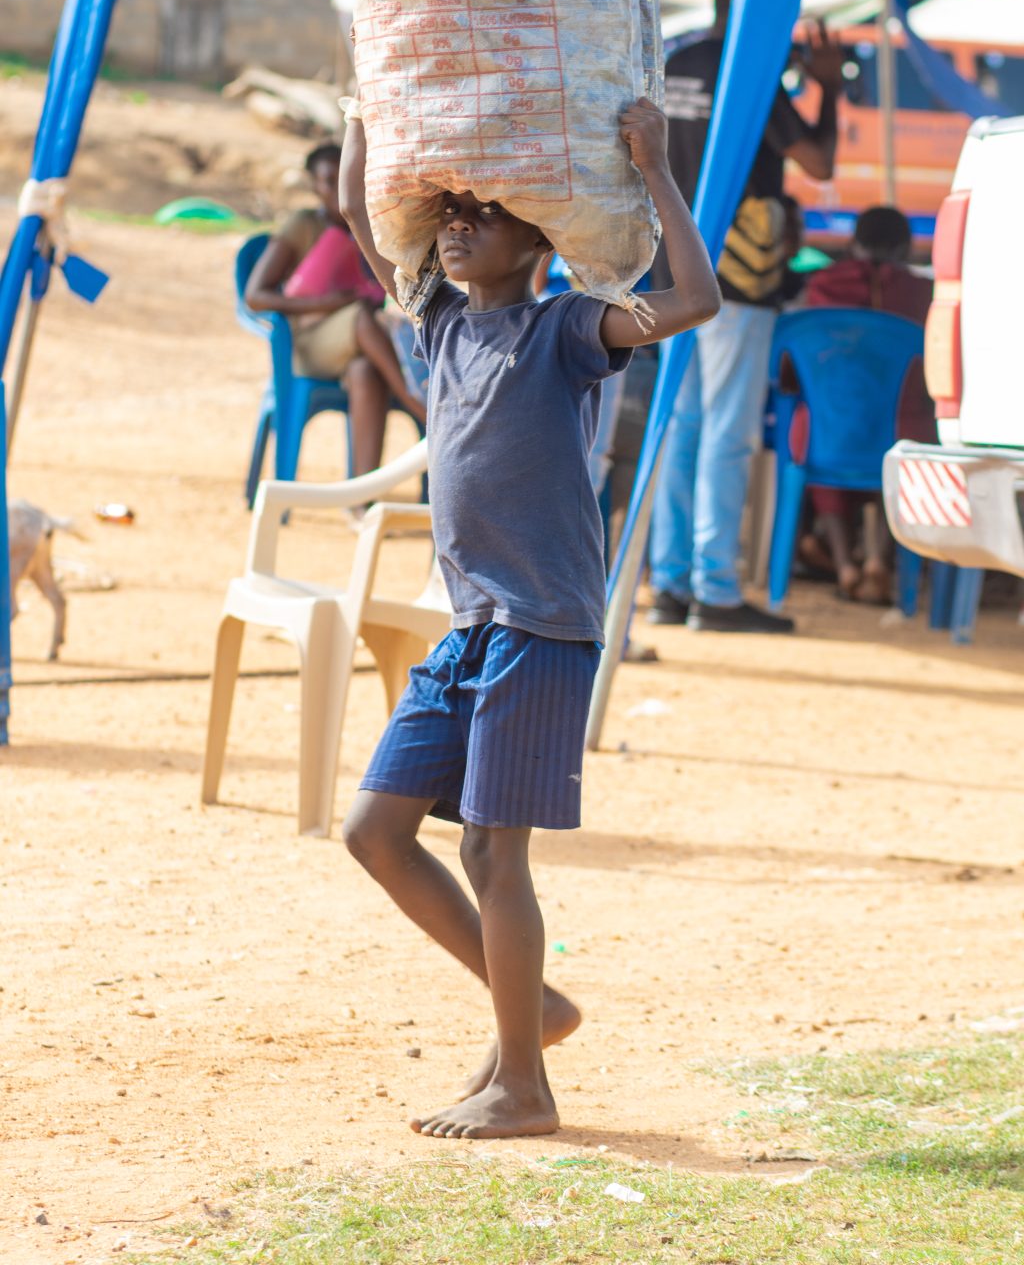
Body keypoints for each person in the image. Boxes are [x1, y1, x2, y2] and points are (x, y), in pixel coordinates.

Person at [337, 99, 720, 1141]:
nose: (460, 225)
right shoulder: (441, 324)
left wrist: (656, 168)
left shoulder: (566, 328)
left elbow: (696, 299)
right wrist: (368, 112)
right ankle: (534, 1011)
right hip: (470, 626)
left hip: (541, 624)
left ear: (540, 238)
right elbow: (360, 212)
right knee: (374, 833)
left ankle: (524, 1086)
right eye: (452, 213)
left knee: (492, 856)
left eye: (489, 213)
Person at [647, 0, 844, 632]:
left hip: (666, 276)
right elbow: (819, 164)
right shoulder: (749, 71)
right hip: (733, 279)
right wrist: (829, 89)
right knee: (727, 433)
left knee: (682, 427)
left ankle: (671, 584)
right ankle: (717, 590)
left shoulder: (675, 64)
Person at [245, 142, 426, 475]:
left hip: (361, 347)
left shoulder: (369, 229)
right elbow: (255, 296)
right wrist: (327, 303)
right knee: (360, 318)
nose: (338, 188)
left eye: (345, 179)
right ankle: (421, 406)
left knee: (365, 372)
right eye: (329, 181)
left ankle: (361, 496)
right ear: (314, 186)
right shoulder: (302, 225)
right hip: (310, 343)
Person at [800, 204, 933, 602]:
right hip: (902, 431)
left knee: (816, 424)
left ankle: (845, 566)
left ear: (853, 242)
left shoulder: (822, 284)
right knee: (903, 447)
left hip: (829, 433)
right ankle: (879, 560)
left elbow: (795, 366)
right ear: (906, 247)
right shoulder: (924, 292)